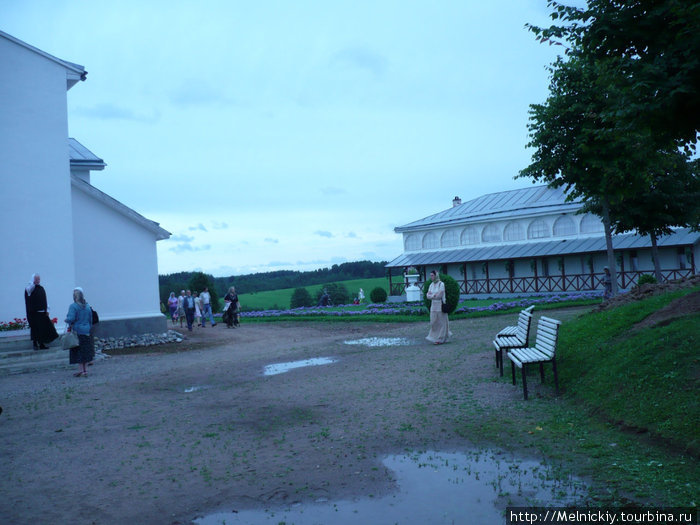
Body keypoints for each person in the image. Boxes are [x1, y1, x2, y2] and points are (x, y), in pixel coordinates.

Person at [65, 287, 94, 377]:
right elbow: (91, 319)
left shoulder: (73, 306)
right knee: (85, 351)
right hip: (86, 330)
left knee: (78, 351)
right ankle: (86, 370)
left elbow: (71, 318)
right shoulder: (88, 306)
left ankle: (81, 370)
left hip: (77, 331)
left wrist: (66, 320)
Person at [24, 273, 58, 350]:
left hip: (42, 312)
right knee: (35, 329)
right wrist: (32, 282)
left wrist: (47, 309)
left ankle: (42, 344)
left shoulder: (41, 288)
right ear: (33, 279)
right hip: (34, 313)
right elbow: (30, 289)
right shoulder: (29, 288)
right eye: (36, 279)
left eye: (38, 279)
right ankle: (35, 344)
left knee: (43, 329)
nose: (38, 280)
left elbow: (44, 300)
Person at [425, 270, 452, 345]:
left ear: (436, 275)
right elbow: (428, 295)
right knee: (433, 322)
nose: (431, 277)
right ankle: (434, 336)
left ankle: (440, 338)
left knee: (442, 322)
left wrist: (432, 295)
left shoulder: (441, 284)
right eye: (430, 276)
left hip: (440, 305)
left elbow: (439, 295)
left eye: (432, 275)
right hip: (433, 306)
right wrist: (433, 295)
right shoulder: (431, 285)